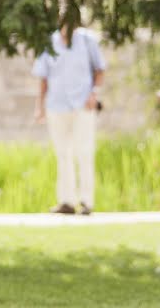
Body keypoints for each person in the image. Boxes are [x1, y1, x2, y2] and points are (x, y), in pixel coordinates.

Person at [32, 23, 106, 215]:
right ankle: (67, 201)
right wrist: (39, 107)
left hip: (83, 104)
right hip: (56, 105)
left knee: (84, 151)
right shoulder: (50, 42)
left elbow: (99, 70)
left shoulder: (88, 41)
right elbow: (43, 78)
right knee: (63, 153)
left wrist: (94, 94)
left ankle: (86, 201)